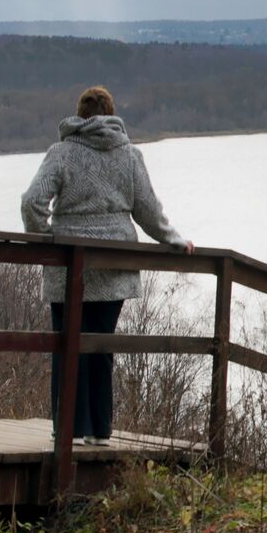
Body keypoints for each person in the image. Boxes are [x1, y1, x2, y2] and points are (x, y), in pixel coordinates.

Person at [21, 86, 193, 445]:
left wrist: (47, 239)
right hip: (114, 264)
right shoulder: (130, 155)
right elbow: (148, 210)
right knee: (101, 347)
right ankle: (99, 430)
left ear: (79, 116)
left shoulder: (61, 153)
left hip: (68, 265)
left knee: (67, 345)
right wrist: (175, 240)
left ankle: (68, 428)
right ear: (112, 114)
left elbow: (32, 202)